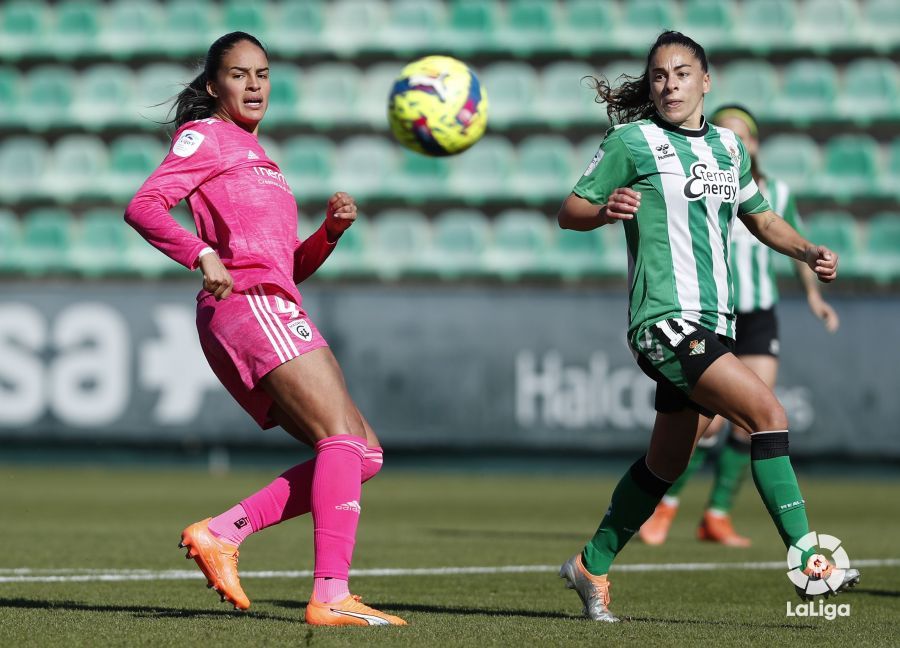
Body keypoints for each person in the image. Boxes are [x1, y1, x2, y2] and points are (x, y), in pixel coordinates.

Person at [555, 31, 858, 622]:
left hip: (717, 321)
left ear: (706, 81)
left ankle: (591, 565)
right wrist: (605, 210)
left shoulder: (728, 147)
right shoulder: (631, 140)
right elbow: (570, 210)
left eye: (682, 73)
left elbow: (760, 217)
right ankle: (810, 562)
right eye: (659, 76)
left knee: (667, 462)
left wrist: (807, 251)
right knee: (767, 413)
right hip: (664, 320)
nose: (669, 85)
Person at [125, 32, 406, 627]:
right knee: (341, 437)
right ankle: (331, 595)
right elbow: (144, 206)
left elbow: (286, 267)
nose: (254, 85)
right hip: (248, 305)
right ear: (213, 86)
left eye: (263, 74)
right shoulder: (206, 136)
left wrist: (328, 234)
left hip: (271, 300)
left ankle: (224, 532)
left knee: (364, 454)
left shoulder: (256, 154)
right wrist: (201, 253)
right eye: (239, 74)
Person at [639, 104, 841, 548]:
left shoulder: (776, 192)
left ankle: (717, 515)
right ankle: (664, 507)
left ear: (752, 144)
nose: (733, 140)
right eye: (725, 131)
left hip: (759, 314)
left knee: (753, 422)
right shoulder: (701, 181)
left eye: (742, 134)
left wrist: (813, 296)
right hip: (713, 312)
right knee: (708, 426)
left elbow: (790, 239)